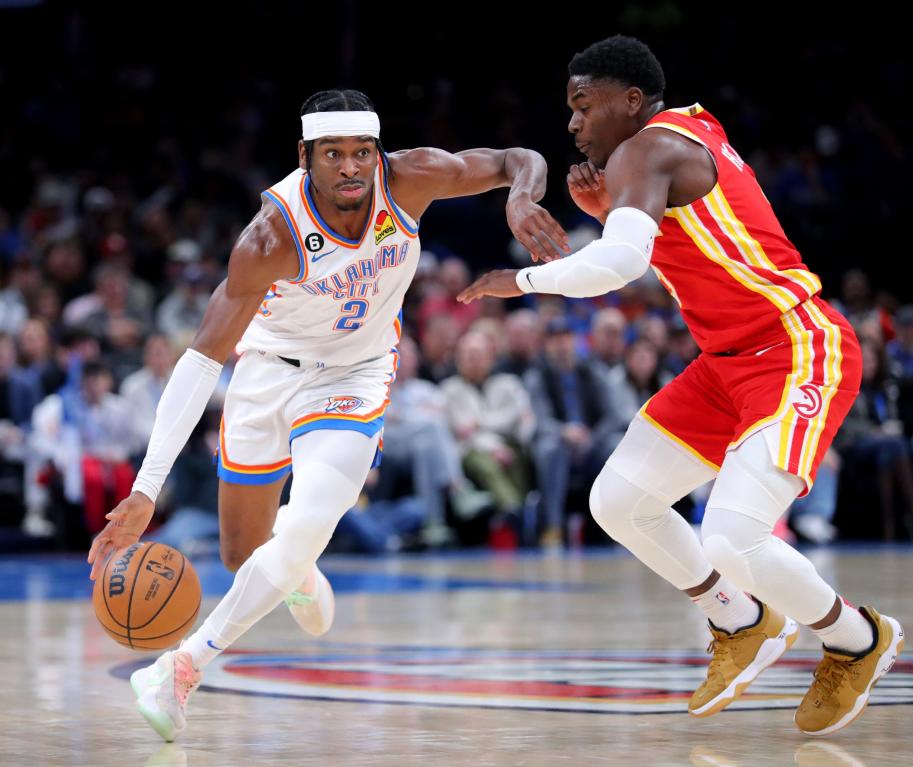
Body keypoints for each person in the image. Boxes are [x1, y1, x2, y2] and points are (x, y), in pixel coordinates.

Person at [86, 88, 569, 742]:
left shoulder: (412, 177)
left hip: (355, 376)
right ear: (305, 157)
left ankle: (181, 668)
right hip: (268, 374)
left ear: (377, 154)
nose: (350, 167)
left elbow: (520, 156)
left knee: (307, 517)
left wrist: (519, 196)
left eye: (361, 153)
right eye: (333, 154)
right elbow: (202, 359)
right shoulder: (270, 236)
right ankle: (297, 562)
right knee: (243, 553)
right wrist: (147, 488)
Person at [459, 36, 902, 736]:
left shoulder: (648, 148)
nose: (572, 124)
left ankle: (855, 636)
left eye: (584, 105)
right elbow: (686, 240)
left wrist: (516, 280)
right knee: (619, 499)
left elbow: (619, 267)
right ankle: (743, 620)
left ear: (632, 102)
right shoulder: (682, 133)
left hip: (794, 347)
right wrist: (613, 211)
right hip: (725, 362)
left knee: (731, 537)